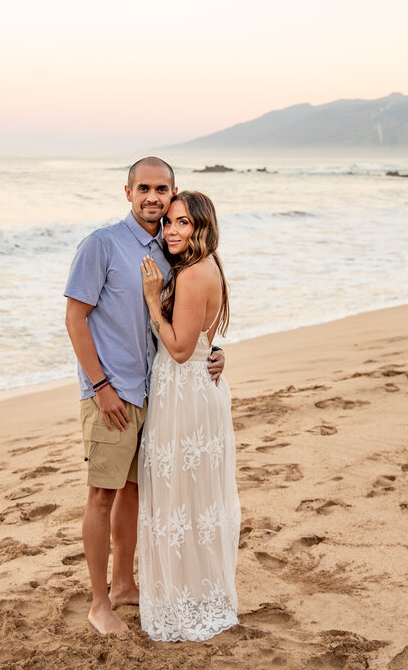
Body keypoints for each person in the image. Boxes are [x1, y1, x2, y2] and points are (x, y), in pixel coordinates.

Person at [64, 158, 225, 636]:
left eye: (162, 189)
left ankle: (124, 585)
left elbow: (190, 320)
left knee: (133, 494)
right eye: (144, 188)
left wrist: (214, 352)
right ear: (128, 191)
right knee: (100, 495)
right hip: (111, 393)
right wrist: (100, 387)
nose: (153, 198)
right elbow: (75, 319)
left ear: (173, 191)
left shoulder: (171, 249)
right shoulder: (101, 245)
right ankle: (98, 605)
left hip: (157, 394)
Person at [137, 191, 240, 642]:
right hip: (197, 388)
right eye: (171, 222)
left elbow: (179, 349)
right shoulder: (208, 264)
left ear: (202, 228)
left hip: (184, 392)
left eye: (184, 224)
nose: (173, 231)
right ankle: (198, 589)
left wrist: (152, 300)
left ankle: (186, 597)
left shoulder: (195, 273)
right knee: (192, 498)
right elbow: (202, 341)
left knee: (180, 497)